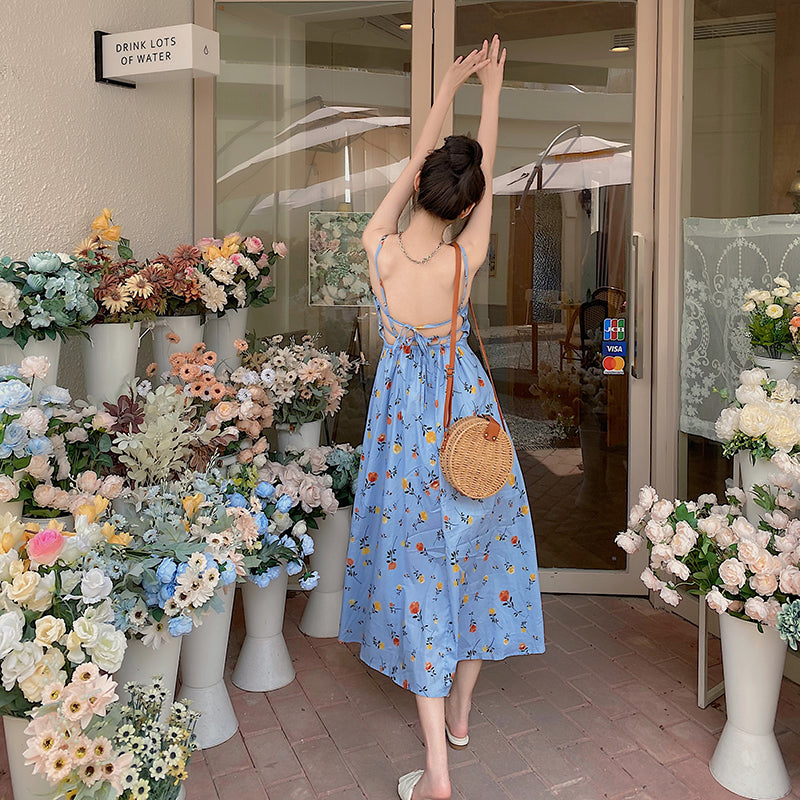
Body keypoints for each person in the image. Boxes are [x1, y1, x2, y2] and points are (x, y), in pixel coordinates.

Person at [339, 35, 544, 800]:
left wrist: (447, 92)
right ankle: (461, 710)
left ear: (422, 185)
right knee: (479, 563)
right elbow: (476, 181)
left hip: (403, 434)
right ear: (466, 203)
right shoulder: (469, 257)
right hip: (467, 427)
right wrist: (492, 92)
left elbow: (416, 171)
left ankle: (438, 768)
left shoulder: (381, 252)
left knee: (419, 577)